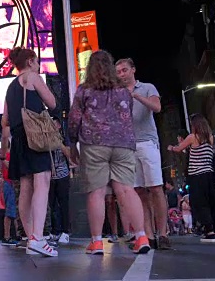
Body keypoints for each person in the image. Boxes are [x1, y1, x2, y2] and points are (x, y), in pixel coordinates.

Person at [68, 50, 151, 255]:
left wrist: (72, 143)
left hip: (94, 144)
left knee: (96, 191)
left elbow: (74, 119)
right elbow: (127, 115)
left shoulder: (84, 90)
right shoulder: (123, 90)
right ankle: (141, 236)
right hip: (123, 144)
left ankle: (96, 242)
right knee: (126, 190)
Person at [0, 47, 58, 257]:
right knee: (42, 181)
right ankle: (38, 238)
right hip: (34, 136)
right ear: (31, 61)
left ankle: (30, 236)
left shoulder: (10, 86)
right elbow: (52, 103)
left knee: (26, 186)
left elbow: (5, 120)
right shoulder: (33, 77)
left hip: (18, 139)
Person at [115, 58, 170, 250]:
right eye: (118, 72)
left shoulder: (147, 87)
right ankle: (148, 234)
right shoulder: (117, 94)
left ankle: (162, 233)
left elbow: (157, 108)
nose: (121, 74)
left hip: (147, 142)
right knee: (138, 191)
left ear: (133, 70)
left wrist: (135, 96)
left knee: (155, 187)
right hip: (128, 146)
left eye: (124, 70)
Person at [168, 114, 215, 242]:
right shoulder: (212, 138)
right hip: (210, 175)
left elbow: (178, 148)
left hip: (197, 176)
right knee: (213, 203)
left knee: (201, 203)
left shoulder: (193, 137)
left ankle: (209, 231)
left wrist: (171, 147)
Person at [49, 117, 71, 245]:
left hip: (63, 174)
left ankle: (65, 231)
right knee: (52, 205)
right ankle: (54, 230)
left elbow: (69, 154)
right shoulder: (45, 138)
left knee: (64, 203)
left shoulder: (63, 137)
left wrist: (59, 143)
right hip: (51, 176)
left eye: (54, 123)